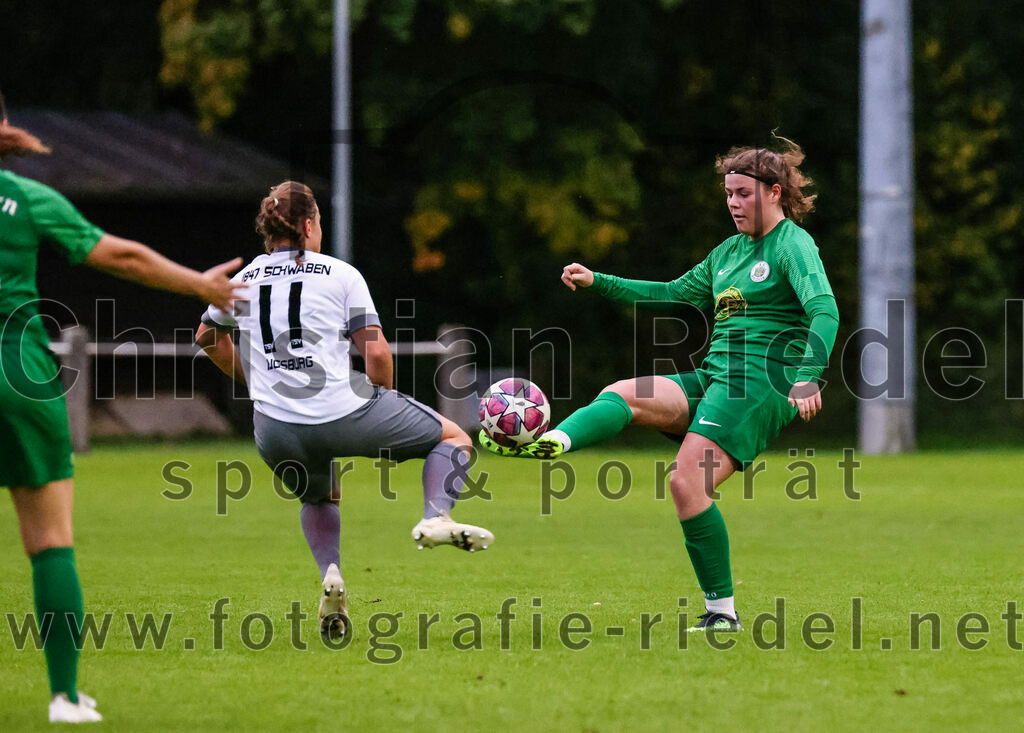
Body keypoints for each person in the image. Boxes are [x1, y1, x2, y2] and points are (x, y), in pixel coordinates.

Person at [481, 137, 839, 632]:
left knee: (685, 481)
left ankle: (722, 616)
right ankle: (552, 441)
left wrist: (806, 378)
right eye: (728, 193)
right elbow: (671, 293)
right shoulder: (729, 252)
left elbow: (825, 310)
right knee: (627, 393)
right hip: (717, 377)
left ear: (775, 192)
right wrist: (598, 281)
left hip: (757, 384)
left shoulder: (793, 245)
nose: (732, 203)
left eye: (743, 193)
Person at [0, 92, 244, 724]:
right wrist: (202, 285)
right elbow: (124, 257)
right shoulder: (26, 201)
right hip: (17, 374)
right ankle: (64, 697)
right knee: (50, 539)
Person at [195, 180, 493, 642]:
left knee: (317, 495)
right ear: (310, 224)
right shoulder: (339, 274)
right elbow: (375, 354)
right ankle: (437, 515)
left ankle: (330, 574)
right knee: (454, 438)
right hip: (344, 411)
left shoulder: (242, 281)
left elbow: (206, 339)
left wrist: (255, 381)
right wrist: (386, 403)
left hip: (275, 429)